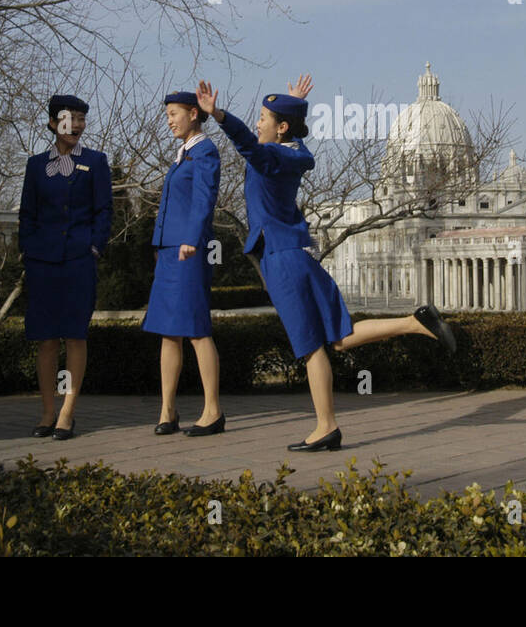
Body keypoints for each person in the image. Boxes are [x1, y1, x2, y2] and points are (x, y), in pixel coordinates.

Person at [195, 75, 457, 451]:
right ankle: (415, 322)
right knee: (339, 337)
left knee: (311, 347)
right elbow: (277, 140)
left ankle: (326, 426)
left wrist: (218, 114)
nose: (257, 123)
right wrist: (293, 103)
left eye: (263, 118)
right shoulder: (293, 151)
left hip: (282, 258)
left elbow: (247, 144)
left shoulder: (272, 157)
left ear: (281, 128)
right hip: (299, 254)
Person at [18, 94, 113, 440]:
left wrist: (94, 247)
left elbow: (104, 210)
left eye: (81, 119)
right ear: (52, 123)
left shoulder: (95, 162)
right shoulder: (35, 165)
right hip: (42, 262)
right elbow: (27, 213)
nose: (76, 126)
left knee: (74, 335)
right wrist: (28, 250)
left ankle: (67, 413)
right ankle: (47, 412)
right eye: (69, 119)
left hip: (78, 261)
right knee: (45, 339)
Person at [141, 92, 224, 436]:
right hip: (170, 251)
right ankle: (167, 411)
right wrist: (160, 244)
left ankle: (212, 411)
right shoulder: (183, 154)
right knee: (168, 330)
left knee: (196, 329)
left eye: (174, 114)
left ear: (193, 113)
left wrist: (191, 237)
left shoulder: (205, 151)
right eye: (167, 115)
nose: (169, 121)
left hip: (189, 250)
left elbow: (205, 198)